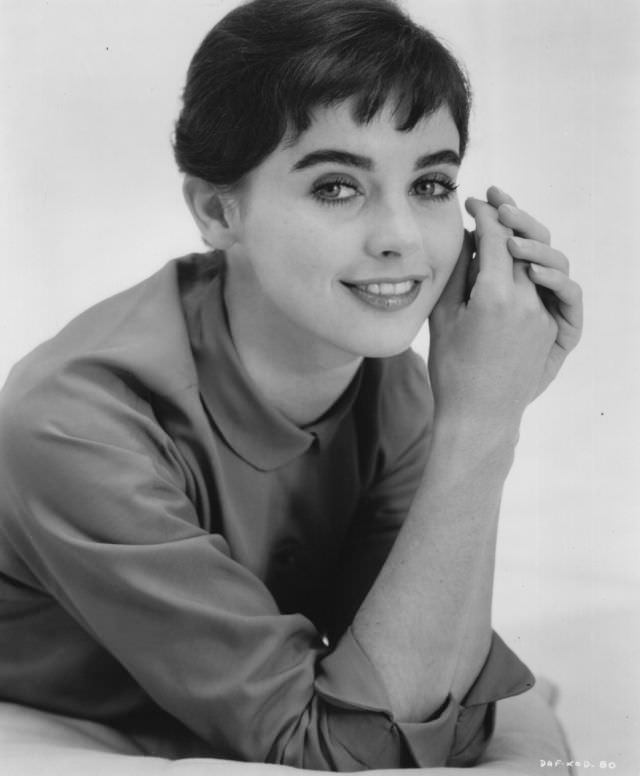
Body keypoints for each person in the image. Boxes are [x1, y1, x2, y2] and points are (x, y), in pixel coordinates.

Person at [0, 0, 583, 771]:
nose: (402, 239)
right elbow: (349, 747)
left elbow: (439, 711)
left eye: (433, 185)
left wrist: (482, 409)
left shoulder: (393, 386)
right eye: (337, 187)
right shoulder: (75, 423)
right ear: (217, 209)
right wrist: (481, 419)